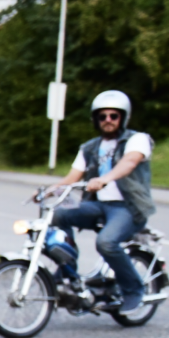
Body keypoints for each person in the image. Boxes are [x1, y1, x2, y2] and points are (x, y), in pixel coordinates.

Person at [50, 90, 156, 313]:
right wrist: (50, 190)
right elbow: (72, 177)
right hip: (98, 206)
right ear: (96, 120)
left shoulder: (137, 139)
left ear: (123, 118)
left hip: (128, 208)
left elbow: (129, 163)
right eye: (103, 116)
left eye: (113, 116)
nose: (108, 120)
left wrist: (104, 179)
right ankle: (68, 270)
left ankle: (133, 290)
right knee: (59, 214)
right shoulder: (89, 147)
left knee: (106, 243)